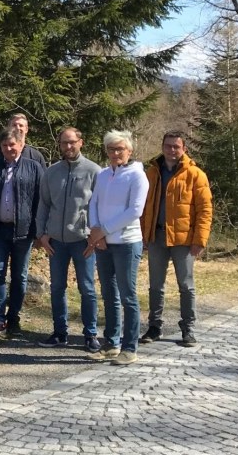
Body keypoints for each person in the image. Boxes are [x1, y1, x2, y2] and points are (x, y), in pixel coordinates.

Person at [140, 131, 213, 347]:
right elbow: (144, 207)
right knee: (155, 285)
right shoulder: (152, 173)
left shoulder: (195, 174)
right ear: (162, 147)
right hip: (157, 237)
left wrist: (199, 240)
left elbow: (205, 210)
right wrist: (144, 235)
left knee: (186, 285)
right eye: (168, 146)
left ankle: (188, 328)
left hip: (184, 240)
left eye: (176, 146)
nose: (172, 150)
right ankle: (154, 327)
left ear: (184, 149)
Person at [35, 128, 101, 351]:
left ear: (81, 142)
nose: (68, 147)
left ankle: (90, 334)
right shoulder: (51, 172)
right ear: (60, 145)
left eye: (72, 142)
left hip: (83, 241)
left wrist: (94, 235)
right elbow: (43, 204)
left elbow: (99, 206)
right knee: (57, 288)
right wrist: (42, 234)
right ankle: (59, 332)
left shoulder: (94, 171)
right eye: (64, 143)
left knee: (87, 289)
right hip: (56, 242)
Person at [87, 130, 149, 366]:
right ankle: (111, 343)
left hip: (126, 243)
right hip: (103, 244)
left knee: (128, 296)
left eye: (119, 149)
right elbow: (94, 203)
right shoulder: (103, 175)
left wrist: (104, 230)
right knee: (109, 295)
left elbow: (135, 211)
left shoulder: (137, 176)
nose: (115, 153)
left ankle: (129, 348)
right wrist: (96, 232)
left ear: (129, 151)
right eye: (111, 149)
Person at [0, 129, 43, 338]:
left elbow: (41, 203)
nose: (9, 149)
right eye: (5, 145)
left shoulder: (34, 168)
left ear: (22, 145)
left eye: (13, 145)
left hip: (23, 232)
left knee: (19, 277)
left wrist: (40, 232)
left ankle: (14, 320)